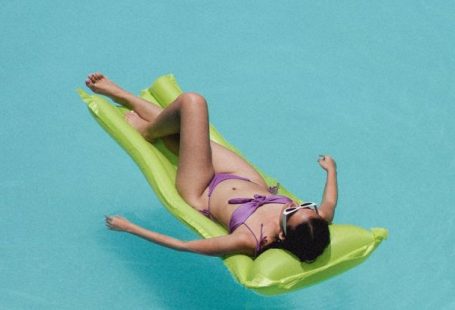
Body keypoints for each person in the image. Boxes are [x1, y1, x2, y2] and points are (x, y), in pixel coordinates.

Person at [85, 72, 338, 262]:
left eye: (291, 213)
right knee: (189, 128)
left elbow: (184, 246)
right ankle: (127, 97)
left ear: (283, 236)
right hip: (244, 178)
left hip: (203, 188)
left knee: (193, 103)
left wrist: (129, 228)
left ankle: (146, 127)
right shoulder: (315, 221)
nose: (296, 205)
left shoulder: (249, 239)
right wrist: (330, 170)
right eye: (306, 206)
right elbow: (329, 204)